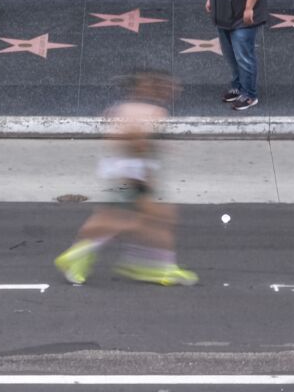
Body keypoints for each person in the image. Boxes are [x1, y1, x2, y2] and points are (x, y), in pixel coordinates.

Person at [53, 72, 195, 287]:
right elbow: (137, 141)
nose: (174, 90)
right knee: (134, 220)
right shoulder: (155, 111)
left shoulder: (123, 108)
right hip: (133, 175)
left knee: (135, 219)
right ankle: (149, 266)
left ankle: (143, 264)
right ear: (153, 88)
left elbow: (120, 136)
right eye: (169, 86)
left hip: (120, 171)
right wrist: (144, 175)